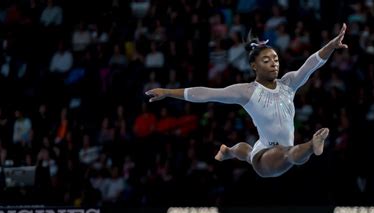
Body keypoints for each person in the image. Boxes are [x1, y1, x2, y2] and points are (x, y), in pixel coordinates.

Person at [146, 24, 348, 178]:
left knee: (250, 152)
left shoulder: (288, 84)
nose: (273, 64)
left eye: (276, 59)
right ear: (254, 66)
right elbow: (207, 93)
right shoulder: (247, 92)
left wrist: (331, 45)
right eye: (266, 61)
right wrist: (167, 91)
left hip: (268, 149)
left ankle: (228, 151)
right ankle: (313, 145)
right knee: (288, 154)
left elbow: (310, 65)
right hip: (266, 159)